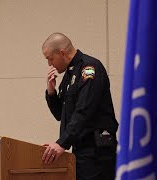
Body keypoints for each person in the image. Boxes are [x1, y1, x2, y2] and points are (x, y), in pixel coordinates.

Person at [41, 32, 119, 180]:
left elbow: (84, 110)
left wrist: (61, 144)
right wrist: (51, 92)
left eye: (50, 58)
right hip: (82, 151)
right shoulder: (70, 74)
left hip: (97, 152)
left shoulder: (89, 69)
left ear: (62, 53)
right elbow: (61, 115)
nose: (50, 64)